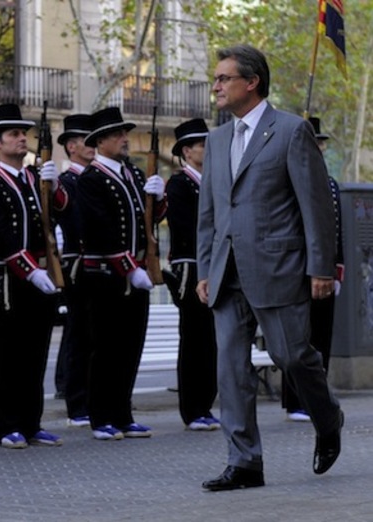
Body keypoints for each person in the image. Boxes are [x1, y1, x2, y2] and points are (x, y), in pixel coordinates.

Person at [196, 44, 344, 491]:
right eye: (216, 79)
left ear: (252, 82)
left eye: (224, 78)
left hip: (278, 268)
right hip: (226, 272)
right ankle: (244, 463)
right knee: (231, 369)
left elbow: (315, 207)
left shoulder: (291, 131)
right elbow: (210, 212)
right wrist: (205, 268)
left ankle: (328, 416)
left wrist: (321, 268)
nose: (216, 86)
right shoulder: (216, 139)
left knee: (292, 356)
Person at [0, 103, 67, 449]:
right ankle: (5, 423)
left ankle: (31, 421)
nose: (22, 139)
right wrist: (29, 270)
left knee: (35, 352)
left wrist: (54, 187)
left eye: (23, 133)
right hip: (6, 281)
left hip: (39, 277)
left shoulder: (34, 180)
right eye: (13, 134)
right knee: (6, 355)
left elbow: (63, 213)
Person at [76, 107, 166, 441]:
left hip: (135, 274)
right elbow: (98, 229)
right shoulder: (91, 179)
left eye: (125, 133)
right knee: (105, 347)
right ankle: (101, 416)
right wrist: (129, 268)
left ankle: (123, 413)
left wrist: (158, 198)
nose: (125, 139)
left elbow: (148, 222)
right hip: (105, 276)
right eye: (117, 134)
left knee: (130, 346)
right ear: (100, 141)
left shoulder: (134, 174)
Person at [281, 116, 345, 422]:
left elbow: (336, 228)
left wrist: (338, 267)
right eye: (313, 142)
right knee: (299, 338)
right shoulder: (291, 178)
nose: (318, 147)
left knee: (322, 335)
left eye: (320, 143)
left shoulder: (329, 183)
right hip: (301, 269)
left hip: (327, 270)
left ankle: (319, 398)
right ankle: (295, 400)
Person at [163, 118, 219, 431]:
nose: (208, 150)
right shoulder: (180, 184)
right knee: (194, 339)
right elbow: (188, 227)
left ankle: (206, 403)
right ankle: (192, 407)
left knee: (211, 340)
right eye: (202, 145)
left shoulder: (213, 181)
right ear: (187, 150)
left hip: (215, 265)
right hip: (192, 266)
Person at [53, 114, 95, 427]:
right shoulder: (67, 182)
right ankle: (76, 401)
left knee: (95, 336)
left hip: (98, 264)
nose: (92, 145)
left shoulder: (97, 177)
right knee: (79, 335)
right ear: (71, 146)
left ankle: (93, 398)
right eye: (85, 140)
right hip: (77, 263)